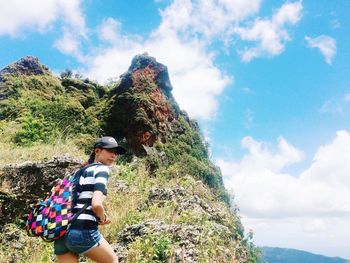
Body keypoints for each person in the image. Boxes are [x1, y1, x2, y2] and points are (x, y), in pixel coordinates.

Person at [54, 136, 126, 263]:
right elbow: (96, 204)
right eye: (110, 151)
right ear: (97, 151)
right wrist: (102, 218)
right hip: (83, 231)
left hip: (62, 232)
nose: (114, 155)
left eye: (116, 152)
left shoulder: (78, 172)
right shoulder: (102, 170)